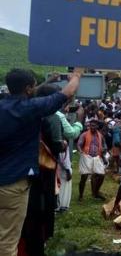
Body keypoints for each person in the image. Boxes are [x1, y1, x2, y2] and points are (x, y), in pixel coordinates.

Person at [18, 84, 68, 256]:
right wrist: (63, 144)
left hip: (21, 168)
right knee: (40, 210)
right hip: (43, 170)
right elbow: (56, 144)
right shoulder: (52, 117)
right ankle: (38, 244)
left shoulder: (24, 112)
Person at [77, 119, 108, 201]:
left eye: (94, 125)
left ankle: (96, 192)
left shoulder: (100, 135)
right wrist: (80, 151)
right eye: (91, 125)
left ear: (97, 126)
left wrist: (104, 151)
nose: (92, 127)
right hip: (87, 156)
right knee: (84, 177)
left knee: (101, 175)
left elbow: (105, 146)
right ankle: (80, 195)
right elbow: (79, 144)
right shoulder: (84, 134)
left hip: (97, 157)